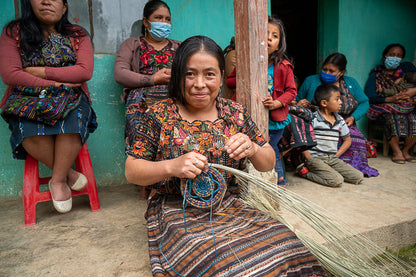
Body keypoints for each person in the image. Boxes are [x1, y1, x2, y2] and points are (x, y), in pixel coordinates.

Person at [125, 35, 327, 276]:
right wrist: (172, 166)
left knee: (289, 246)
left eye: (209, 74)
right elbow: (132, 170)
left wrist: (252, 148)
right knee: (220, 262)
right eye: (190, 74)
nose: (199, 83)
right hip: (175, 208)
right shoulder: (159, 114)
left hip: (230, 205)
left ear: (221, 76)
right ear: (178, 76)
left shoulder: (235, 113)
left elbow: (268, 162)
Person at [0, 0, 97, 213]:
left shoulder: (76, 34)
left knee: (74, 120)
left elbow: (83, 72)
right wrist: (55, 83)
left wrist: (41, 71)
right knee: (26, 126)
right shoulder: (14, 32)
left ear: (64, 7)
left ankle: (58, 181)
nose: (46, 1)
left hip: (71, 97)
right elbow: (10, 74)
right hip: (26, 96)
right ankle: (66, 176)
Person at [297, 53, 378, 177]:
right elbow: (297, 99)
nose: (327, 73)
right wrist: (299, 103)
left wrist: (353, 117)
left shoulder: (351, 83)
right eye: (325, 69)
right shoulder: (311, 81)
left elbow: (364, 102)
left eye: (332, 71)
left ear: (341, 72)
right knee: (318, 137)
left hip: (344, 122)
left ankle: (345, 168)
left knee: (355, 140)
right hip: (317, 121)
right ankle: (318, 166)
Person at [114, 0, 180, 149]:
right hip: (141, 103)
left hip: (174, 102)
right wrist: (153, 79)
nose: (164, 22)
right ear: (146, 21)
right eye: (158, 18)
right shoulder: (132, 44)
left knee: (173, 144)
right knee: (141, 146)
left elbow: (192, 73)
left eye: (167, 19)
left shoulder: (179, 47)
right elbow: (120, 73)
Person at [301, 85, 364, 187]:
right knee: (336, 181)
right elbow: (301, 138)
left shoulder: (340, 120)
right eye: (337, 99)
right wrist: (309, 158)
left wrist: (336, 155)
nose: (341, 102)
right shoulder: (313, 118)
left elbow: (347, 140)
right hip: (315, 158)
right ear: (324, 103)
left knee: (358, 176)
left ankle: (328, 171)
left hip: (332, 159)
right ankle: (304, 173)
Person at [365, 43, 416, 164]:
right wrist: (391, 99)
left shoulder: (407, 69)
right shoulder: (376, 74)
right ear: (384, 57)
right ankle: (396, 151)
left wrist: (413, 91)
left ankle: (406, 150)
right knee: (393, 117)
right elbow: (370, 96)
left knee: (414, 118)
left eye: (399, 55)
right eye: (392, 55)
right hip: (387, 105)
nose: (395, 58)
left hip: (408, 104)